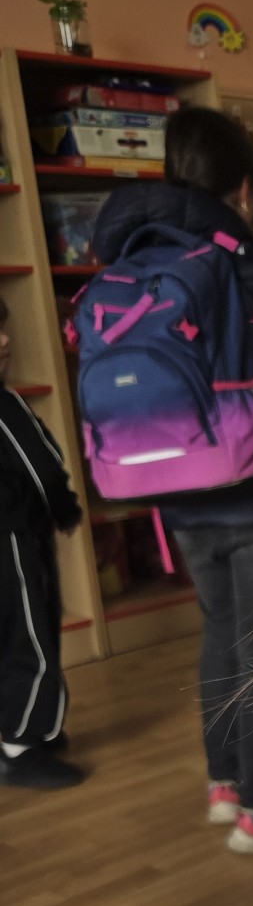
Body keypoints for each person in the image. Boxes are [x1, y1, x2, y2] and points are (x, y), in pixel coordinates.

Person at [92, 109, 253, 853]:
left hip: (178, 495)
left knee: (222, 633)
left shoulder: (132, 272)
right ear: (245, 191)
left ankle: (224, 783)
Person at [0, 293, 85, 790]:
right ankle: (22, 745)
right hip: (13, 540)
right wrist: (66, 510)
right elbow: (43, 470)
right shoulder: (5, 405)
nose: (5, 340)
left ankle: (23, 727)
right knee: (29, 638)